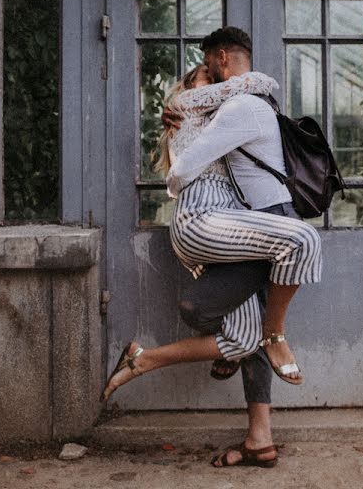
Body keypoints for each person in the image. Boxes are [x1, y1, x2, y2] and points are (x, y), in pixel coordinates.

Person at [102, 27, 321, 468]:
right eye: (202, 75)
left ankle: (145, 359)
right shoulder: (192, 108)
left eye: (210, 68)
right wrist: (187, 101)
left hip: (235, 224)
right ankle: (274, 336)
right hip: (204, 221)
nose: (211, 80)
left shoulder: (229, 118)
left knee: (242, 338)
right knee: (300, 241)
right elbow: (248, 88)